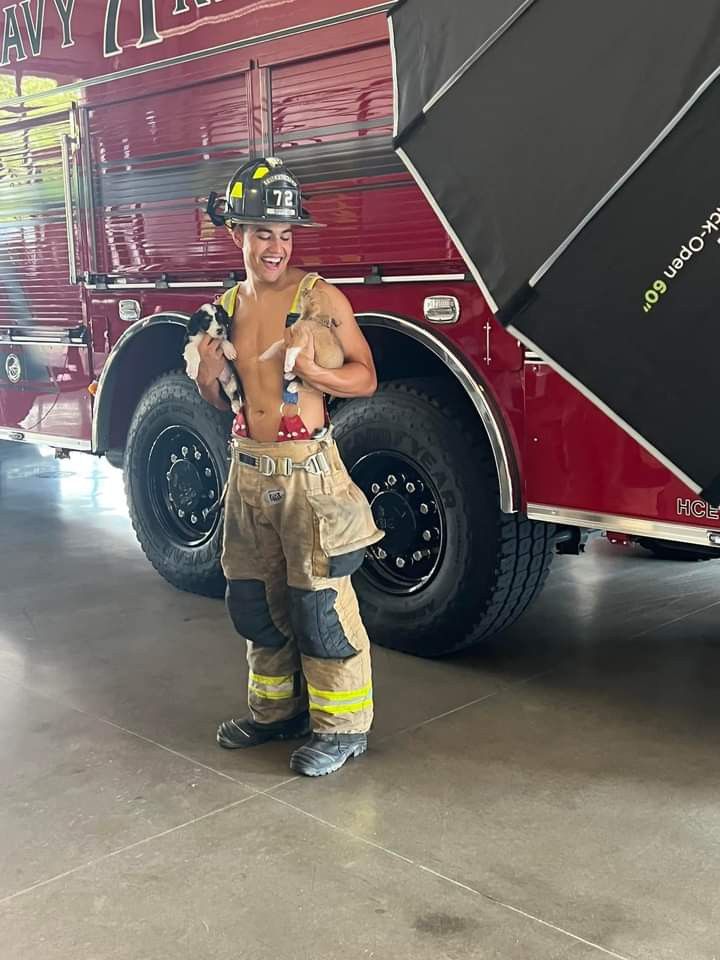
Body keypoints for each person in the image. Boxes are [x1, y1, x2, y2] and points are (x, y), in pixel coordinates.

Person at [195, 157, 384, 777]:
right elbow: (222, 395)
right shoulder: (224, 306)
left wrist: (316, 374)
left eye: (284, 234)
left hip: (308, 475)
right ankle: (275, 714)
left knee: (319, 608)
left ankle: (343, 727)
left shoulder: (318, 298)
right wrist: (206, 373)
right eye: (261, 233)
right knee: (257, 604)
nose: (275, 246)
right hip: (247, 470)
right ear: (237, 235)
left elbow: (365, 376)